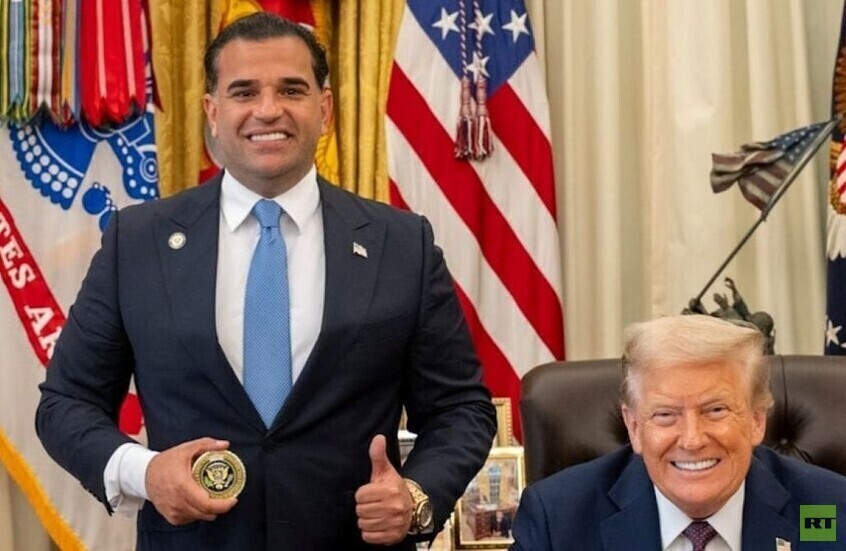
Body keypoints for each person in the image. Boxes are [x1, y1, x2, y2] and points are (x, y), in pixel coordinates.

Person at [35, 13, 496, 551]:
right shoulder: (138, 242)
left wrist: (416, 496)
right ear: (213, 112)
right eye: (244, 91)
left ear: (324, 109)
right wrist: (145, 472)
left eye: (292, 90)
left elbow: (460, 409)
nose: (268, 109)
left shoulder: (401, 243)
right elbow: (65, 404)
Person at [511, 314, 846, 550]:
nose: (692, 439)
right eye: (665, 415)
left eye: (715, 410)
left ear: (757, 420)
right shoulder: (559, 520)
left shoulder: (826, 508)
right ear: (634, 427)